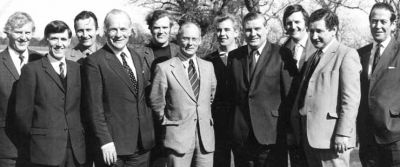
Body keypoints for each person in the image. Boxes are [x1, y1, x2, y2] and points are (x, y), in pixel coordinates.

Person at [83, 9, 155, 167]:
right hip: (114, 148)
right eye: (113, 29)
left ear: (130, 31)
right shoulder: (95, 62)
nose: (118, 34)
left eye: (123, 29)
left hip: (141, 145)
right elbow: (94, 108)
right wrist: (105, 141)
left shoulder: (136, 57)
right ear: (105, 31)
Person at [291, 9, 361, 167]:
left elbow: (350, 100)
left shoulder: (347, 55)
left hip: (333, 140)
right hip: (309, 138)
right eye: (311, 31)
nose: (314, 36)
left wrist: (343, 133)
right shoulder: (312, 58)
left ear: (334, 30)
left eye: (319, 31)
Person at [15, 20, 85, 167]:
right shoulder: (32, 70)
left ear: (69, 41)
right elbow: (22, 115)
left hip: (76, 152)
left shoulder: (78, 69)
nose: (59, 44)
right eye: (54, 38)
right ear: (47, 40)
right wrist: (40, 140)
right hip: (45, 152)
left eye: (63, 39)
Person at [149, 21, 217, 167]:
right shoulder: (164, 68)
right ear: (179, 40)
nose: (190, 43)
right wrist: (170, 123)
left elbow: (210, 97)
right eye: (186, 38)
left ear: (200, 40)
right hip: (177, 139)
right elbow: (156, 101)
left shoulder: (208, 67)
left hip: (205, 139)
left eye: (194, 39)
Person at [228, 12, 290, 167]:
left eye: (257, 28)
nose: (253, 34)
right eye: (248, 30)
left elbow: (289, 95)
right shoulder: (234, 57)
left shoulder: (282, 54)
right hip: (242, 138)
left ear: (266, 28)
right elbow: (230, 96)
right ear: (243, 31)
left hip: (271, 136)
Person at [357, 3, 400, 167]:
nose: (378, 26)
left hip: (394, 137)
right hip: (367, 137)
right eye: (374, 21)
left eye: (383, 21)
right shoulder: (360, 54)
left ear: (393, 24)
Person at [0, 11, 42, 167]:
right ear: (8, 33)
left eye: (27, 32)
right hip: (5, 149)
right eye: (18, 32)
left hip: (37, 148)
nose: (23, 37)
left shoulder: (41, 60)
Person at [280, 5, 315, 167]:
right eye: (288, 23)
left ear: (306, 23)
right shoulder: (280, 52)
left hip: (315, 125)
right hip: (292, 128)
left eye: (297, 22)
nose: (293, 26)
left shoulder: (319, 47)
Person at [203, 13, 239, 167]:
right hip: (218, 124)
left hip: (241, 122)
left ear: (236, 32)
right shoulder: (208, 61)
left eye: (227, 30)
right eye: (219, 30)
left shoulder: (246, 56)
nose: (222, 34)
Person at [140, 10, 179, 74]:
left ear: (170, 28)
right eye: (157, 28)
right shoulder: (139, 54)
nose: (161, 31)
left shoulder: (180, 52)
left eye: (165, 27)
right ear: (150, 28)